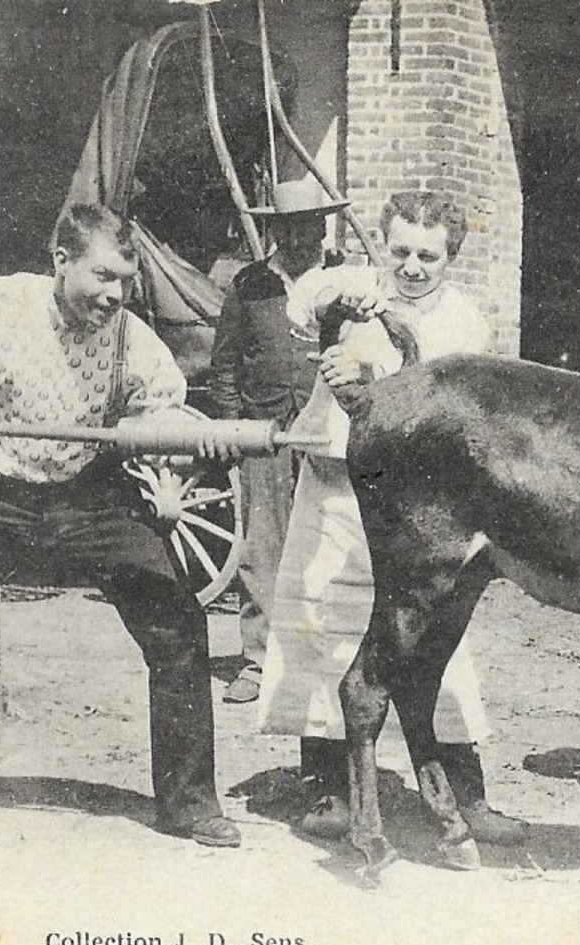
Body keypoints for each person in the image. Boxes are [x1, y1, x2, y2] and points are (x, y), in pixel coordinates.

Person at [0, 203, 240, 847]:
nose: (114, 296)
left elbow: (162, 426)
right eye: (103, 276)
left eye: (125, 283)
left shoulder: (133, 341)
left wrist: (203, 442)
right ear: (60, 261)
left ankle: (190, 803)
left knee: (178, 625)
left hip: (89, 499)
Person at [256, 190, 527, 848]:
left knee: (432, 638)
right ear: (383, 243)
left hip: (419, 501)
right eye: (400, 250)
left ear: (450, 258)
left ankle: (467, 792)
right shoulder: (355, 284)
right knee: (323, 627)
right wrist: (341, 307)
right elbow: (304, 303)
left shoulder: (463, 323)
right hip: (336, 485)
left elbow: (437, 398)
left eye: (427, 256)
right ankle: (332, 786)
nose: (410, 266)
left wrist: (368, 369)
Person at [209, 178, 347, 704]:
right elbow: (225, 364)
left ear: (323, 227)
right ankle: (258, 658)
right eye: (289, 226)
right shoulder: (250, 286)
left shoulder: (342, 283)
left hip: (324, 430)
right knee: (262, 544)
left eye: (310, 225)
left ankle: (323, 651)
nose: (301, 236)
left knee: (328, 538)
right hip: (265, 432)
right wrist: (233, 429)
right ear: (274, 229)